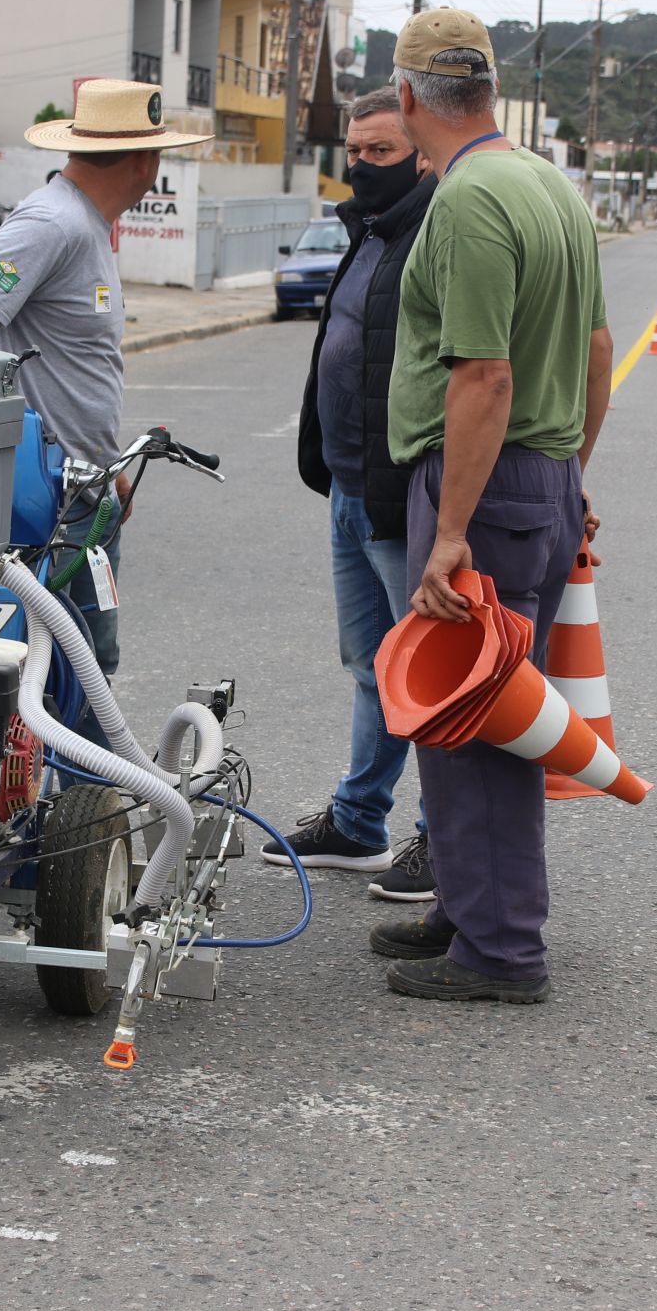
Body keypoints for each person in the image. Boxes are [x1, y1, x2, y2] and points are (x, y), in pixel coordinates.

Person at [369, 8, 614, 1004]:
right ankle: (471, 909)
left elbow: (482, 377)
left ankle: (501, 948)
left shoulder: (469, 198)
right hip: (539, 478)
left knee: (469, 721)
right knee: (485, 713)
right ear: (490, 90)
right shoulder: (549, 183)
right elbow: (597, 352)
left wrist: (453, 532)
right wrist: (573, 475)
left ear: (406, 98)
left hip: (484, 480)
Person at [0, 80, 209, 675]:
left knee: (83, 671)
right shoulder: (53, 223)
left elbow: (75, 368)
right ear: (146, 160)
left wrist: (108, 463)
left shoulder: (83, 224)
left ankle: (81, 770)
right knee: (63, 677)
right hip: (43, 505)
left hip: (83, 492)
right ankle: (82, 772)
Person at [265, 88, 439, 899]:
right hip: (346, 484)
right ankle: (358, 819)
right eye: (354, 152)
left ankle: (445, 838)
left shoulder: (436, 232)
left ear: (421, 153)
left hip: (398, 492)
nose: (361, 167)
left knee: (428, 673)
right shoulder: (367, 230)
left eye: (379, 152)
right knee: (372, 667)